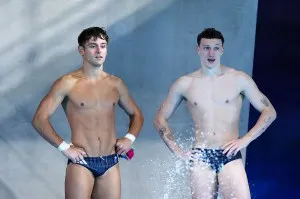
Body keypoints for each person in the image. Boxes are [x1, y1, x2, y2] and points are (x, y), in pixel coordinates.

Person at [154, 28, 276, 199]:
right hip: (201, 156)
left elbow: (269, 111)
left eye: (216, 47)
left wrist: (246, 139)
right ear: (198, 50)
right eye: (206, 47)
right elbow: (159, 119)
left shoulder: (238, 79)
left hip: (230, 155)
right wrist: (178, 151)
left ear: (222, 50)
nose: (211, 53)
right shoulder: (185, 84)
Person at [32, 27, 144, 199]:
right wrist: (64, 148)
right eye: (93, 46)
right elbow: (40, 119)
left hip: (110, 161)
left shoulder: (116, 84)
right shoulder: (67, 83)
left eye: (103, 45)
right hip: (81, 163)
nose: (99, 51)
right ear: (81, 51)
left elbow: (137, 114)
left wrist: (129, 138)